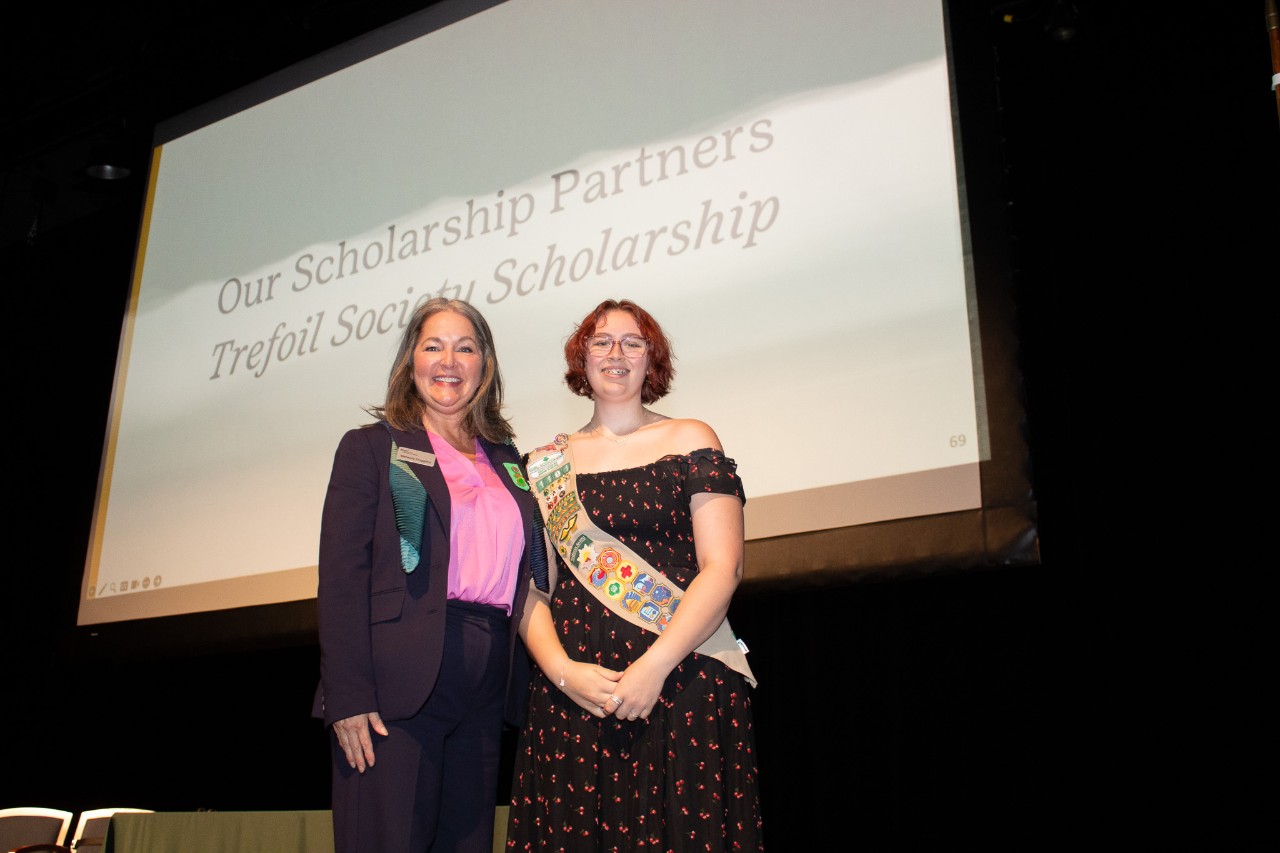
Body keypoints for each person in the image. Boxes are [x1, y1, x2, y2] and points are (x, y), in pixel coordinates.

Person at [507, 299, 763, 851]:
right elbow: (531, 590)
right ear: (582, 359)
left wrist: (653, 667)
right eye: (601, 341)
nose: (615, 353)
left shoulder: (692, 437)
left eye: (632, 342)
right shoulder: (543, 464)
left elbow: (725, 566)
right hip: (577, 694)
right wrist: (561, 672)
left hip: (683, 679)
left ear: (653, 361)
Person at [313, 297, 544, 852]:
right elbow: (342, 579)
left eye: (465, 348)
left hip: (486, 683)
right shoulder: (371, 447)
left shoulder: (510, 460)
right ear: (409, 361)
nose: (449, 361)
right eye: (433, 346)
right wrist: (348, 696)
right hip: (395, 687)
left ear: (484, 367)